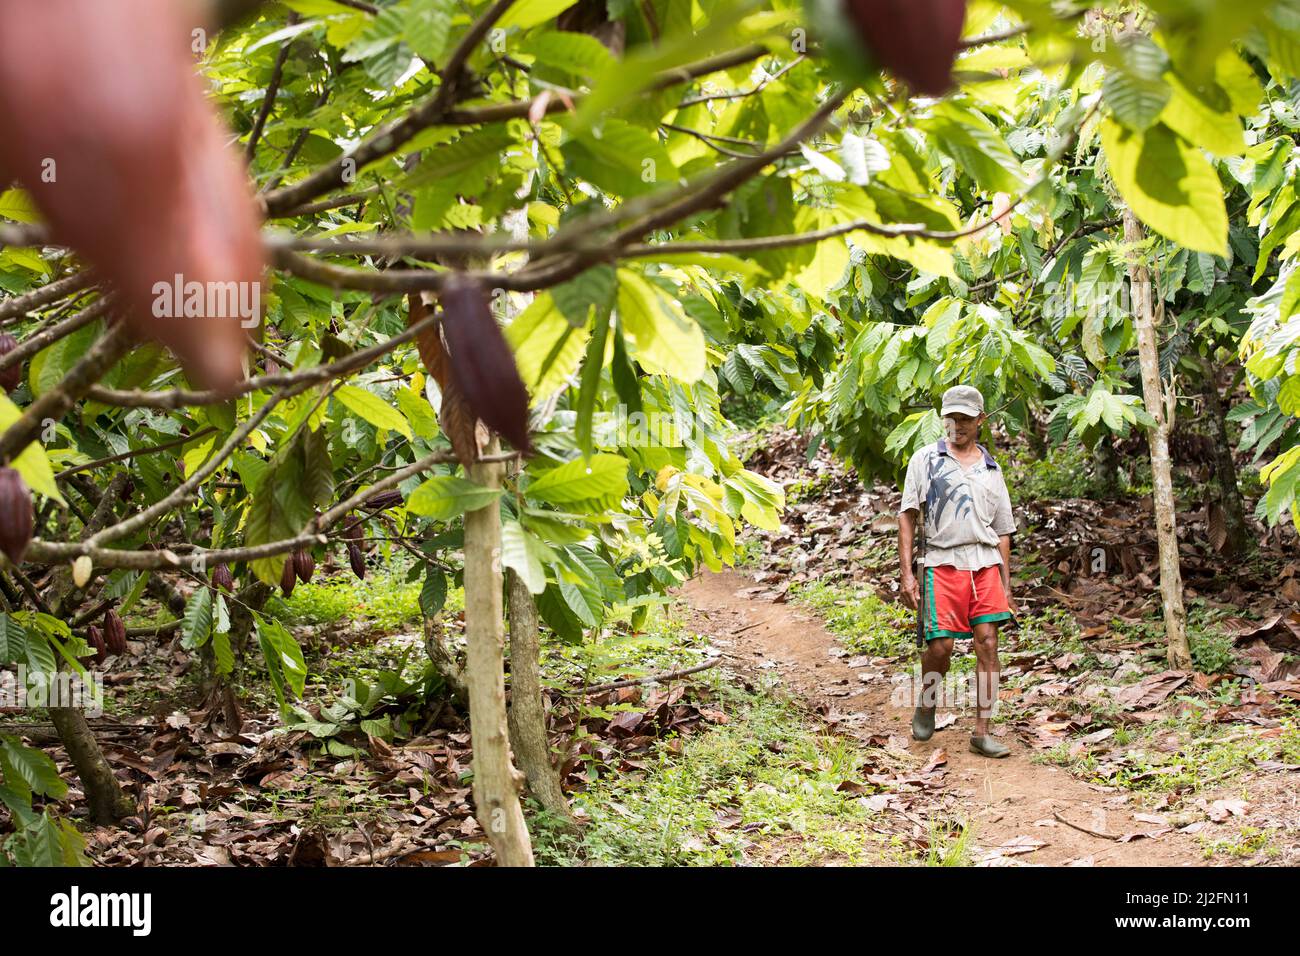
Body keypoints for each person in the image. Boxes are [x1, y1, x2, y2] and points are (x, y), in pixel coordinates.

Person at [898, 385, 1017, 758]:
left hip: (984, 564)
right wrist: (906, 574)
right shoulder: (925, 460)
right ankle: (928, 699)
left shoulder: (991, 469)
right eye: (951, 418)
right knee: (941, 646)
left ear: (981, 419)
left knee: (988, 643)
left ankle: (982, 732)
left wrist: (1006, 585)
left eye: (965, 419)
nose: (957, 425)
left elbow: (1002, 532)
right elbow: (907, 516)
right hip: (940, 562)